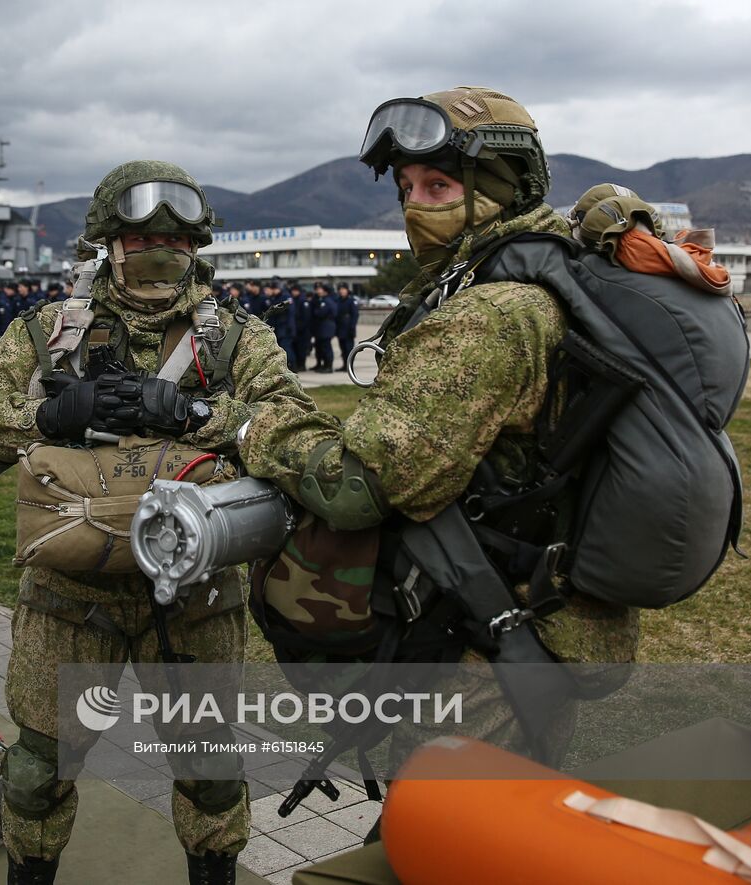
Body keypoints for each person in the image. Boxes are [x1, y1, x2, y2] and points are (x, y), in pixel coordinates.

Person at [235, 88, 645, 882]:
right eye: (407, 190)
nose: (416, 209)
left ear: (504, 186)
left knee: (433, 849)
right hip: (530, 621)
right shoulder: (544, 276)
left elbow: (363, 485)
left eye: (441, 187)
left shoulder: (490, 313)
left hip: (491, 649)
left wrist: (261, 431)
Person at [0, 160, 313, 885]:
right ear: (107, 240)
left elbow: (297, 431)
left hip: (197, 595)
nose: (161, 250)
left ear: (198, 246)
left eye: (177, 239)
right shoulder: (51, 330)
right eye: (142, 234)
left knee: (209, 769)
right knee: (38, 770)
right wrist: (46, 415)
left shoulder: (234, 337)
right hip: (69, 597)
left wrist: (200, 413)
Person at [309, 282, 338, 372]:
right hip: (321, 328)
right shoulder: (321, 300)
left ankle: (328, 366)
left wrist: (316, 311)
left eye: (320, 289)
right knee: (320, 347)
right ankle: (322, 365)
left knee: (326, 348)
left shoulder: (327, 301)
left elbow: (320, 313)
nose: (318, 291)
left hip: (326, 327)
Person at [334, 283, 360, 371]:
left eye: (343, 289)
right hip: (340, 328)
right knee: (343, 348)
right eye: (340, 289)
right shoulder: (338, 300)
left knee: (349, 348)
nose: (342, 291)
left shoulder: (351, 300)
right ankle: (345, 364)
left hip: (348, 328)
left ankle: (349, 366)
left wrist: (352, 327)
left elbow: (355, 315)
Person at [289, 283, 311, 372]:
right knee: (296, 348)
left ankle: (302, 365)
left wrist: (300, 327)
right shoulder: (293, 300)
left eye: (295, 291)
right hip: (296, 329)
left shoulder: (303, 301)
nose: (294, 292)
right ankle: (298, 364)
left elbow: (306, 317)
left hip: (303, 330)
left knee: (302, 349)